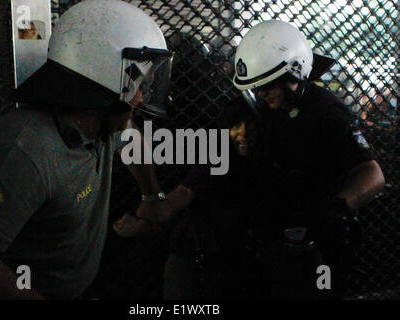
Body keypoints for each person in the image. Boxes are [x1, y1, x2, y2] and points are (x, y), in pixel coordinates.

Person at [0, 0, 174, 299]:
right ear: (104, 79)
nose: (140, 97)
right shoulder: (24, 151)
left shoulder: (102, 124)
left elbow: (131, 137)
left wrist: (152, 195)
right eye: (137, 86)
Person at [232, 20, 385, 298]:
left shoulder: (325, 111)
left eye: (269, 84)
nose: (262, 93)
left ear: (294, 74)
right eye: (258, 87)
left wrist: (335, 211)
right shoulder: (272, 109)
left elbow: (372, 174)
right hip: (280, 237)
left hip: (318, 242)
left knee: (320, 292)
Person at [114, 95, 263, 299]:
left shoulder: (266, 160)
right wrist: (150, 219)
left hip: (237, 257)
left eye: (251, 125)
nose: (244, 133)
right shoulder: (218, 156)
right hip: (195, 253)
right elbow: (184, 193)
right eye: (236, 125)